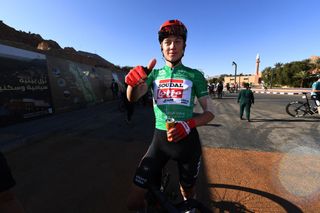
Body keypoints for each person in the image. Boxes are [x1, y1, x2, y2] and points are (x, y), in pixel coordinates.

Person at [125, 19, 215, 211]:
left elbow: (210, 113)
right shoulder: (153, 74)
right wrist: (132, 85)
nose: (172, 46)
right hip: (159, 141)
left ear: (184, 46)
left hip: (187, 143)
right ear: (161, 47)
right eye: (167, 42)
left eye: (177, 41)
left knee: (188, 194)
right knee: (134, 201)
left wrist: (189, 123)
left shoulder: (195, 75)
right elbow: (133, 98)